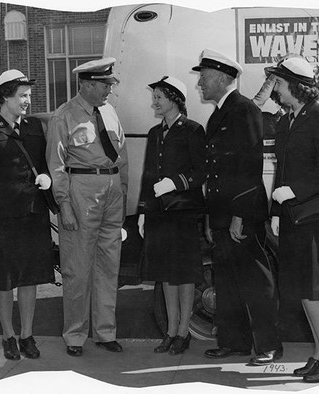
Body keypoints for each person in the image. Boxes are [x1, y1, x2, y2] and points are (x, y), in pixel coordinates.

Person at [192, 49, 282, 365]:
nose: (200, 83)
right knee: (227, 280)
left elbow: (249, 165)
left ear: (221, 78)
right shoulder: (220, 113)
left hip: (241, 213)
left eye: (203, 78)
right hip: (222, 213)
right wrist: (211, 217)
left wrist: (239, 215)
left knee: (256, 280)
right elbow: (214, 171)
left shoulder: (243, 110)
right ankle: (235, 342)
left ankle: (269, 346)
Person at [265, 56, 319, 383]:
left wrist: (292, 192)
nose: (276, 90)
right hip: (292, 215)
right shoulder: (287, 121)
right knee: (302, 288)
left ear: (296, 86)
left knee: (313, 289)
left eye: (279, 84)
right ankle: (318, 354)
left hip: (312, 214)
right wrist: (276, 212)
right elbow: (280, 171)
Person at [46, 58, 128, 357]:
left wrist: (124, 192)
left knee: (109, 266)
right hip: (81, 192)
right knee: (77, 269)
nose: (109, 89)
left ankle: (105, 332)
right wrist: (64, 205)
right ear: (88, 84)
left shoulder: (109, 112)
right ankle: (75, 335)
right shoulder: (64, 116)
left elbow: (122, 157)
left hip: (112, 193)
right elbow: (56, 166)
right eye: (105, 84)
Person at [0, 70, 55, 360]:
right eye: (22, 95)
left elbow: (45, 163)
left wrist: (46, 178)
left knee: (29, 278)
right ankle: (8, 335)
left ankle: (27, 335)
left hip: (33, 215)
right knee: (4, 279)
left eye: (29, 96)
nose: (28, 101)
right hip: (3, 218)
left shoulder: (34, 127)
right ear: (5, 96)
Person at [137, 76, 206, 355]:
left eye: (158, 98)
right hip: (158, 214)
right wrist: (143, 210)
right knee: (165, 274)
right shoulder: (155, 133)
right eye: (154, 97)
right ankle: (170, 331)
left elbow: (201, 172)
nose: (154, 102)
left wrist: (176, 183)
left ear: (175, 100)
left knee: (184, 274)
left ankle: (183, 332)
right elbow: (148, 175)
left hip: (182, 212)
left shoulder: (192, 130)